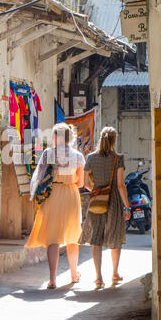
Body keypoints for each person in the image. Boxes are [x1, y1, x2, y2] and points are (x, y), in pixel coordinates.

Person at [25, 123, 85, 289]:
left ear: (55, 137)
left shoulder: (48, 154)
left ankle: (52, 279)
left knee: (53, 238)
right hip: (71, 195)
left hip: (53, 194)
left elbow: (39, 176)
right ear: (70, 137)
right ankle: (74, 275)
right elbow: (81, 183)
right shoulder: (78, 156)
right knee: (73, 237)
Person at [78, 127, 131, 289]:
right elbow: (121, 185)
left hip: (96, 201)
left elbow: (85, 183)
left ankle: (99, 278)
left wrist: (97, 191)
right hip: (114, 201)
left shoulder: (91, 158)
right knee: (114, 236)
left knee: (97, 239)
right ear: (114, 140)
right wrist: (127, 207)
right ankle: (114, 273)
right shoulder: (118, 158)